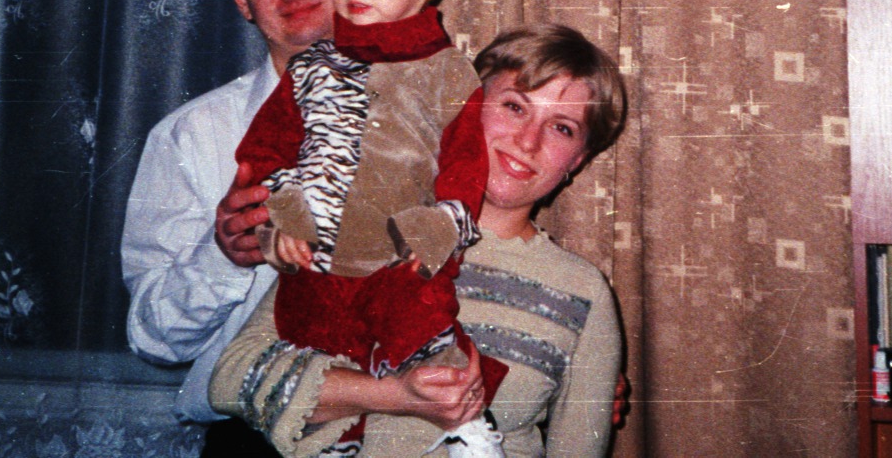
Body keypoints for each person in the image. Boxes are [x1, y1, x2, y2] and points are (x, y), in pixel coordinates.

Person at [210, 23, 627, 458]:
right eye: (514, 106)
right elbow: (230, 380)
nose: (528, 141)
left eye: (562, 128)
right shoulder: (367, 226)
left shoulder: (583, 292)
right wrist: (392, 396)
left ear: (578, 161)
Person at [232, 0, 507, 457]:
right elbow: (265, 153)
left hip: (397, 254)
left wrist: (444, 221)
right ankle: (333, 445)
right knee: (312, 344)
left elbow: (465, 161)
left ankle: (467, 424)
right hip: (318, 260)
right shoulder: (311, 69)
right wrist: (280, 221)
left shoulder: (447, 71)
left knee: (421, 320)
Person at [122, 0, 341, 456]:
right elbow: (153, 339)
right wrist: (221, 257)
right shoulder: (190, 136)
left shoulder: (430, 111)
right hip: (252, 438)